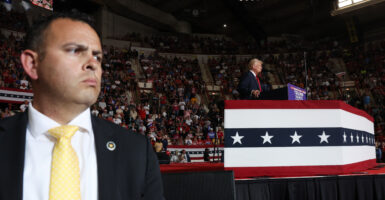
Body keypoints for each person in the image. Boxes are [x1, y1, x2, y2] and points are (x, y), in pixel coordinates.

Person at [0, 12, 165, 200]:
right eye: (74, 51)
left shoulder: (137, 152)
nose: (92, 64)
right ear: (32, 64)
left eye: (98, 57)